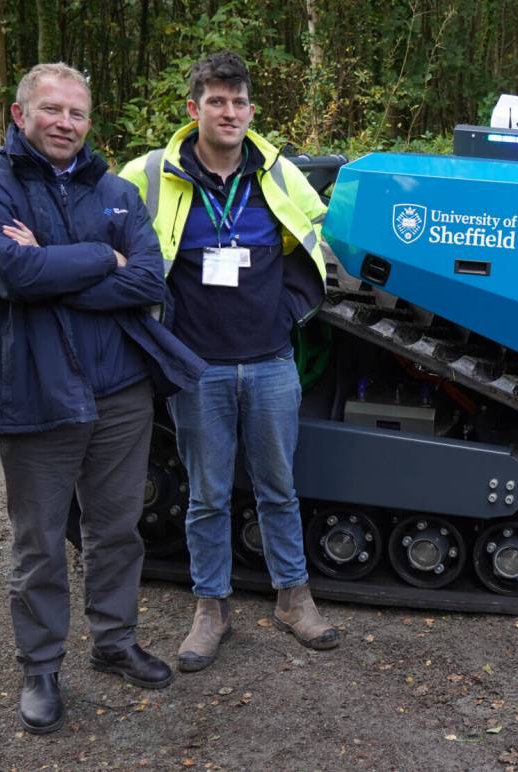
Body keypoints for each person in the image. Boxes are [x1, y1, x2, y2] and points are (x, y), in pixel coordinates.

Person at [0, 62, 206, 734]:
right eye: (52, 110)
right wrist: (102, 257)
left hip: (120, 391)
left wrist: (62, 263)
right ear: (20, 115)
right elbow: (13, 272)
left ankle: (114, 640)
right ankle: (40, 666)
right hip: (35, 391)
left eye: (77, 113)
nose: (65, 123)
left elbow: (149, 280)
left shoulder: (117, 191)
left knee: (116, 529)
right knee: (38, 542)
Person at [119, 51, 337, 672]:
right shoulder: (151, 173)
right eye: (217, 101)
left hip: (270, 362)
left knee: (279, 489)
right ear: (195, 110)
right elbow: (104, 218)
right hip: (196, 366)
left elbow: (317, 234)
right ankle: (210, 608)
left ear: (250, 110)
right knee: (208, 495)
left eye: (240, 102)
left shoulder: (276, 173)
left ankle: (294, 599)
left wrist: (291, 308)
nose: (230, 112)